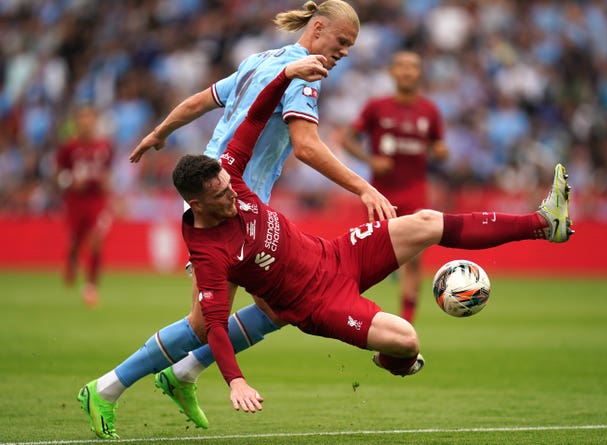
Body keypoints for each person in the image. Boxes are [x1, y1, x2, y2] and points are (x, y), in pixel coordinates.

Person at [167, 56, 572, 414]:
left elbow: (255, 117)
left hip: (339, 254)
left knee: (427, 221)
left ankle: (542, 223)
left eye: (226, 184)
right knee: (406, 340)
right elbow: (215, 326)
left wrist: (287, 73)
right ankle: (393, 361)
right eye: (221, 195)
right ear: (197, 204)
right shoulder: (207, 253)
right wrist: (235, 380)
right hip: (320, 304)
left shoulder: (229, 172)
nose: (231, 196)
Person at [78, 1, 396, 439]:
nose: (344, 53)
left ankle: (184, 373)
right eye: (341, 42)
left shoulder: (259, 60)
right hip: (227, 204)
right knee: (201, 322)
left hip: (224, 192)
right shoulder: (303, 76)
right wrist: (363, 186)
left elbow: (200, 101)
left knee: (278, 306)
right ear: (318, 28)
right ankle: (106, 388)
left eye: (350, 47)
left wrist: (161, 132)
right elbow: (305, 145)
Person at [342, 50, 449, 323]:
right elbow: (347, 140)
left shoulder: (430, 111)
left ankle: (406, 322)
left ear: (419, 73)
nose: (407, 71)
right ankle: (349, 315)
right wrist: (371, 160)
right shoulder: (377, 107)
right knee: (364, 260)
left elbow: (439, 146)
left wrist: (440, 151)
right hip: (380, 196)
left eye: (413, 67)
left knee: (414, 261)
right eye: (402, 66)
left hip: (415, 194)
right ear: (392, 72)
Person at [56, 105, 113, 307]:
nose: (86, 122)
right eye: (82, 118)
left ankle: (91, 286)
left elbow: (107, 171)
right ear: (77, 122)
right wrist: (70, 181)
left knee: (96, 239)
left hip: (97, 199)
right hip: (75, 200)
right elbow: (58, 175)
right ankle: (71, 262)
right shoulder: (68, 148)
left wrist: (108, 183)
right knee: (75, 243)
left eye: (90, 118)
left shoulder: (104, 146)